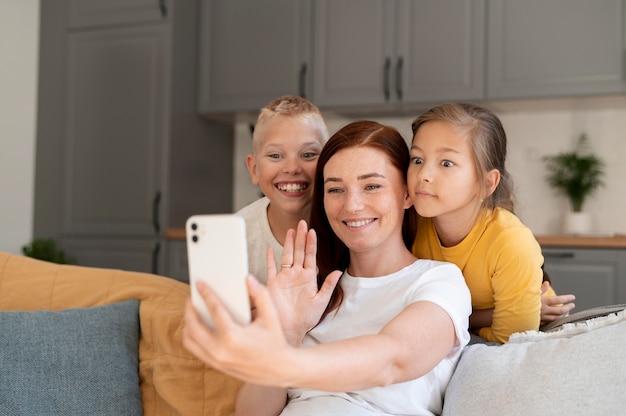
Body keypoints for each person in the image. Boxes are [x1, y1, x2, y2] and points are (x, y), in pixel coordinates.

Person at [184, 120, 472, 415]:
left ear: (407, 194)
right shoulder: (310, 293)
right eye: (336, 190)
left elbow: (393, 360)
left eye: (372, 186)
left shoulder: (439, 282)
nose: (352, 206)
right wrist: (288, 331)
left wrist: (280, 361)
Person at [407, 102, 574, 343]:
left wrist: (454, 324)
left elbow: (508, 345)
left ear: (487, 183)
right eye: (417, 159)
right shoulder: (410, 227)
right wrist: (489, 316)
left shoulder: (511, 243)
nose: (423, 175)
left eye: (446, 163)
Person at [237, 95, 329, 284]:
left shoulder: (347, 225)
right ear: (254, 169)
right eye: (276, 155)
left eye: (308, 154)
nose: (292, 168)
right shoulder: (235, 235)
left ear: (328, 163)